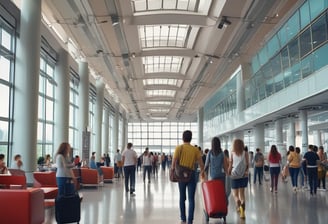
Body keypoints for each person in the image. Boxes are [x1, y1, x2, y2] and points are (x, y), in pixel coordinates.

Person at [171, 130, 205, 224]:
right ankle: (190, 220)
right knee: (191, 199)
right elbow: (201, 164)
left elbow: (174, 163)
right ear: (191, 138)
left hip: (181, 176)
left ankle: (183, 218)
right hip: (192, 175)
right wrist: (202, 172)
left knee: (182, 197)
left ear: (183, 138)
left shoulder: (179, 148)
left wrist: (173, 171)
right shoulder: (195, 150)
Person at [228, 139, 249, 219]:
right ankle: (242, 208)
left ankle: (237, 202)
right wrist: (246, 171)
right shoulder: (245, 153)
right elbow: (247, 164)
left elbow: (230, 165)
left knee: (235, 194)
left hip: (234, 176)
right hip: (243, 175)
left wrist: (229, 172)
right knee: (242, 194)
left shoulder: (232, 153)